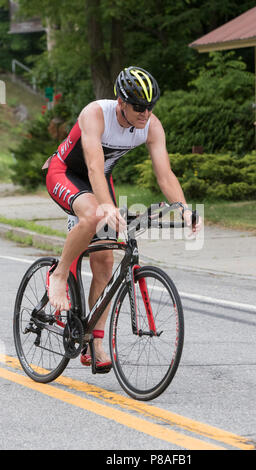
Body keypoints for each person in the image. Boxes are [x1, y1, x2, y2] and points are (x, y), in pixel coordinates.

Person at [45, 66, 201, 372]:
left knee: (104, 261)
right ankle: (59, 274)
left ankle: (94, 341)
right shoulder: (95, 114)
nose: (145, 114)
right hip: (65, 173)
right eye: (139, 107)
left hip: (99, 180)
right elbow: (92, 166)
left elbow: (165, 174)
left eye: (150, 107)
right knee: (91, 215)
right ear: (121, 102)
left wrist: (183, 208)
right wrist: (106, 205)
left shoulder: (151, 126)